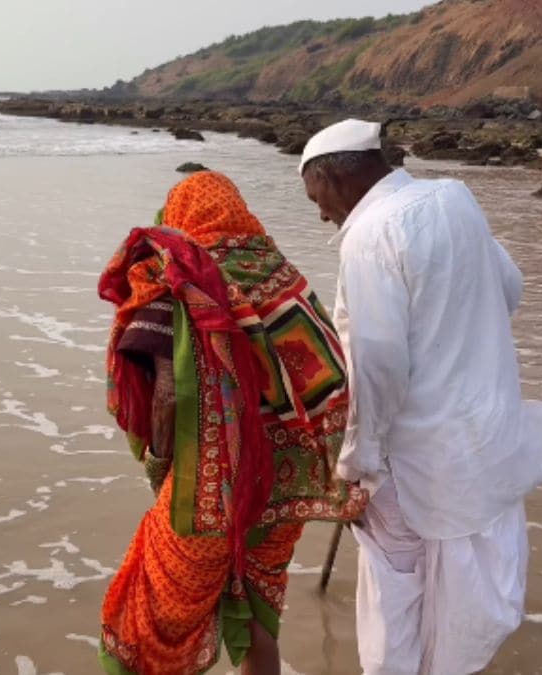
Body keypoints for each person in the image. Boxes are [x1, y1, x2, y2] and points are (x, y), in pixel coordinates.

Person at [299, 119, 542, 674]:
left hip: (415, 458)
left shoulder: (371, 238)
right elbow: (509, 289)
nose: (320, 214)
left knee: (395, 596)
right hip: (484, 435)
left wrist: (356, 464)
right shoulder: (453, 200)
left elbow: (377, 368)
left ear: (333, 177)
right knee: (458, 586)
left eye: (314, 197)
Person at [97, 171, 367, 675]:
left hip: (210, 490)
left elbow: (168, 393)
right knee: (257, 607)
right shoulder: (282, 275)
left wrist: (159, 466)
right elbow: (328, 370)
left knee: (145, 618)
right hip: (289, 486)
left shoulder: (178, 277)